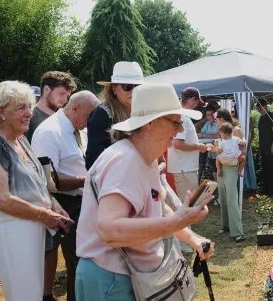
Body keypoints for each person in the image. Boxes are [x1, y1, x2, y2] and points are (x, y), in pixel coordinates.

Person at [75, 83, 215, 301]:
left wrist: (192, 238)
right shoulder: (124, 161)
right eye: (175, 122)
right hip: (111, 277)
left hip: (126, 274)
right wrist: (175, 223)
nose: (179, 130)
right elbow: (108, 229)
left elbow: (159, 205)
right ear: (150, 123)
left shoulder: (143, 157)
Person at [0, 81, 72, 301]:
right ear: (0, 112)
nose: (28, 113)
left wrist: (54, 204)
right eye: (20, 108)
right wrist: (45, 215)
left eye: (29, 106)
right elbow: (2, 200)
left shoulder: (19, 137)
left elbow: (36, 180)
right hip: (6, 226)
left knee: (32, 286)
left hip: (27, 223)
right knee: (22, 291)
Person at [32, 91, 99, 301]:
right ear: (75, 108)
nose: (91, 122)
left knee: (85, 261)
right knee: (77, 264)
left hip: (83, 201)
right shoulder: (50, 131)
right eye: (90, 116)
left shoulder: (79, 129)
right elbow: (45, 178)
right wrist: (84, 181)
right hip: (65, 204)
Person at [85, 61, 145, 170]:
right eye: (127, 86)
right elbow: (93, 161)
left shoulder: (144, 110)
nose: (133, 91)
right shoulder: (101, 114)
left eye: (138, 86)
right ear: (114, 89)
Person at [167, 87, 208, 202]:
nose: (196, 105)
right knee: (188, 203)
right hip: (184, 168)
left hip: (184, 167)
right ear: (192, 100)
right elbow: (177, 144)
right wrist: (199, 147)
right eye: (196, 102)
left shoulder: (182, 116)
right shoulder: (182, 117)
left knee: (187, 203)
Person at [213, 108, 245, 242]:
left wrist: (236, 160)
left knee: (232, 198)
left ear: (221, 118)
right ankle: (225, 225)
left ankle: (237, 231)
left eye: (216, 119)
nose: (216, 123)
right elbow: (219, 150)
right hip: (222, 167)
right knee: (223, 197)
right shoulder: (222, 132)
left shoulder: (235, 130)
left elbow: (243, 149)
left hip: (231, 167)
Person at [26, 71, 76, 142]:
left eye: (67, 96)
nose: (65, 99)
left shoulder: (63, 118)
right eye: (62, 93)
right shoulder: (28, 116)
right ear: (46, 89)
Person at [256, 98, 273, 197]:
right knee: (265, 168)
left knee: (271, 169)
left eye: (261, 107)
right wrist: (259, 147)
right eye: (258, 107)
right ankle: (266, 189)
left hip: (271, 147)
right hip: (263, 147)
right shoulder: (261, 118)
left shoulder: (271, 116)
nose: (259, 109)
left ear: (265, 106)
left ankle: (272, 191)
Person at [197, 106, 219, 182]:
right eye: (208, 115)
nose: (211, 116)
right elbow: (201, 133)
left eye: (212, 114)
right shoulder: (207, 123)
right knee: (213, 168)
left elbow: (217, 135)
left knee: (217, 168)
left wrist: (203, 135)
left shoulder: (219, 122)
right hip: (209, 149)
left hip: (218, 149)